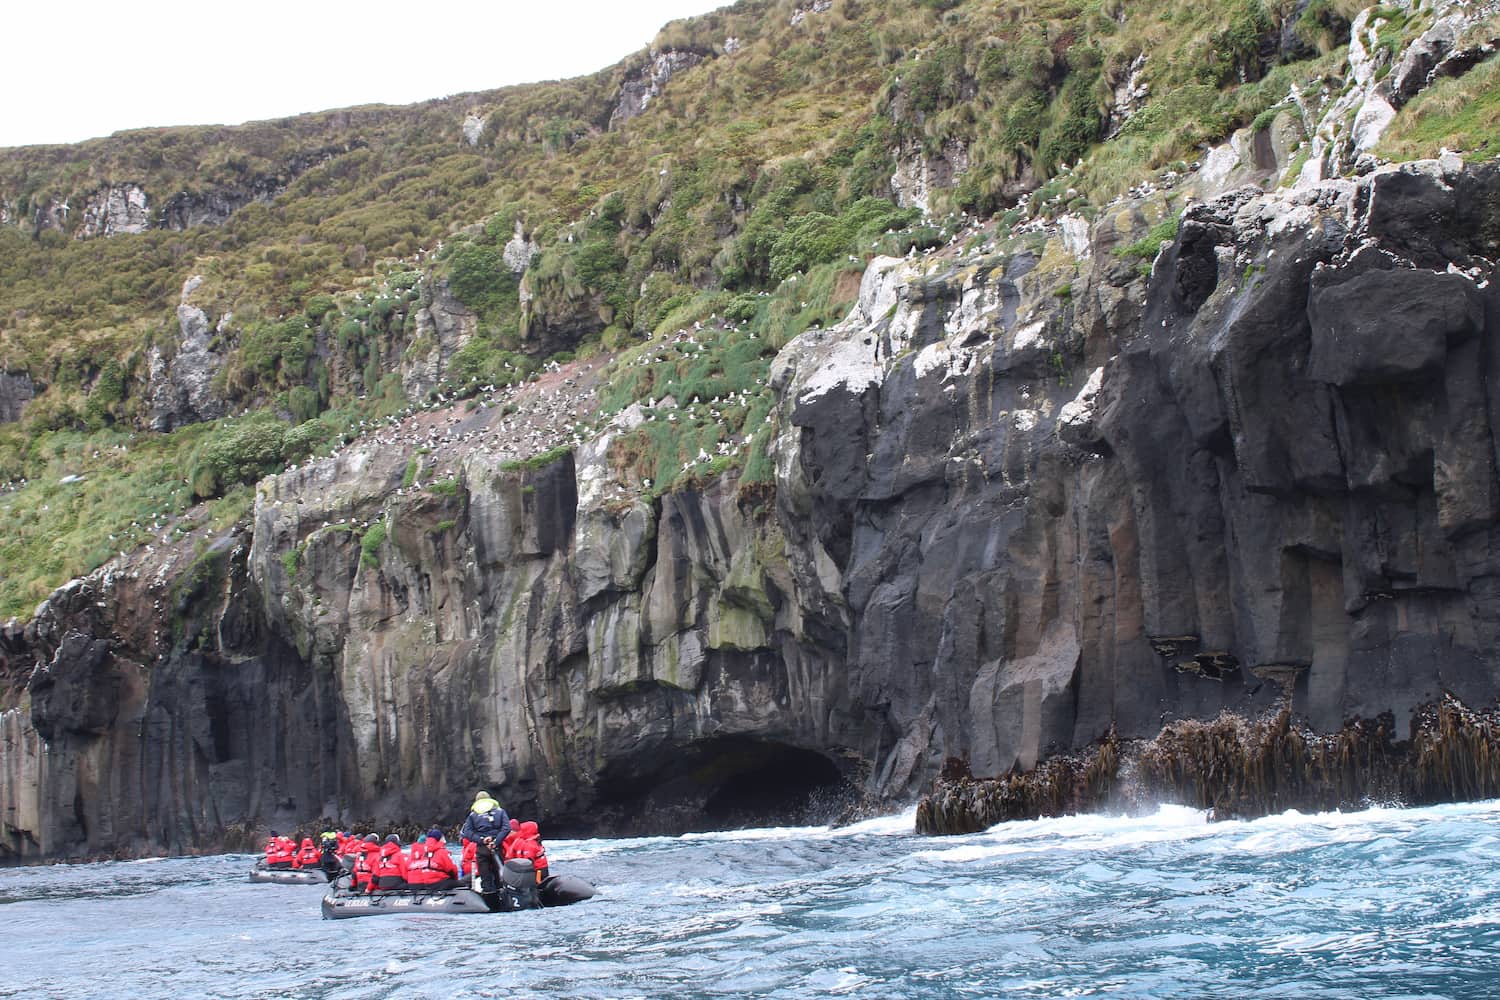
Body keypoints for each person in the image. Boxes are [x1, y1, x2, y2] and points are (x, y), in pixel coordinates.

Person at [459, 790, 510, 900]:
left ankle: (488, 897)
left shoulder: (473, 815)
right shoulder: (500, 812)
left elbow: (467, 832)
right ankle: (502, 896)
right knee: (499, 875)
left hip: (482, 849)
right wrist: (496, 841)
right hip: (497, 847)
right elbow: (506, 828)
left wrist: (482, 840)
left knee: (485, 875)